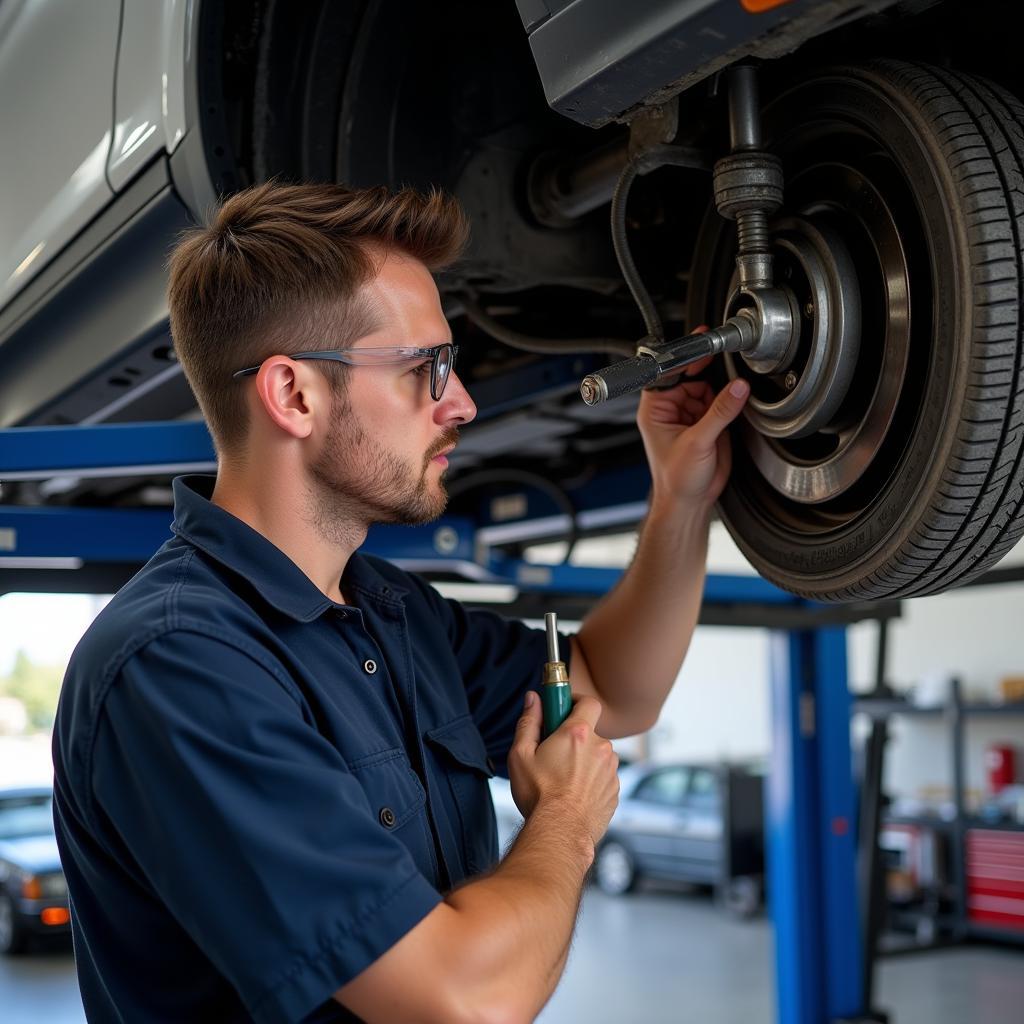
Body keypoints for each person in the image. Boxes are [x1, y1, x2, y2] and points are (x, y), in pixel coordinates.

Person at [52, 181, 751, 1023]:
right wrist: (565, 822)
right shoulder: (177, 663)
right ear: (295, 395)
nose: (461, 403)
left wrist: (680, 501)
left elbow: (609, 690)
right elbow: (458, 999)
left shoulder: (393, 614)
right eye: (427, 369)